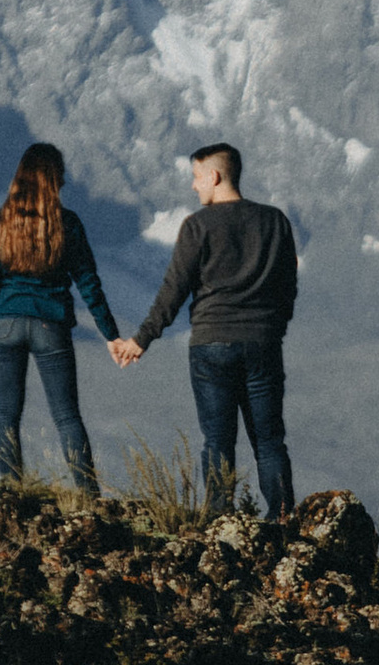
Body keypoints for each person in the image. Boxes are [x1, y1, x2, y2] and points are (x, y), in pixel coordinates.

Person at [112, 140, 297, 517]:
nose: (194, 186)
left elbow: (174, 290)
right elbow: (287, 287)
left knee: (217, 440)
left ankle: (218, 521)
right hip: (263, 344)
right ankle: (283, 520)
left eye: (197, 177)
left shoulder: (197, 226)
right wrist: (272, 328)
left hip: (212, 345)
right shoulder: (274, 221)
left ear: (213, 176)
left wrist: (141, 339)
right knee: (269, 440)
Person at [0, 141, 121, 494]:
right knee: (67, 416)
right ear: (55, 180)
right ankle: (88, 495)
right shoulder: (66, 224)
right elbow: (88, 283)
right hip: (49, 325)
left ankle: (12, 492)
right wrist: (111, 334)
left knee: (7, 415)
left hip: (4, 325)